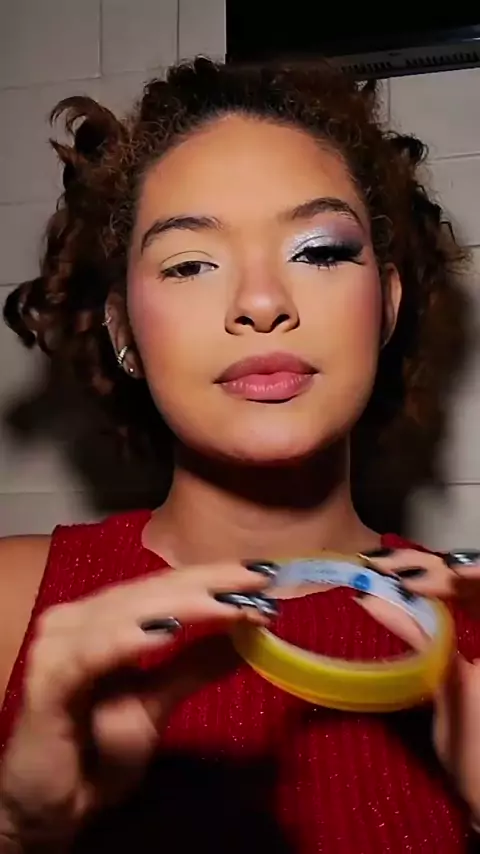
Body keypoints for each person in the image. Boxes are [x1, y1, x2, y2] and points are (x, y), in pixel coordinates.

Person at [0, 57, 478, 853]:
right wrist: (18, 831)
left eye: (319, 251)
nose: (261, 303)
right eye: (190, 263)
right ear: (123, 333)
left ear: (387, 305)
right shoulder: (13, 608)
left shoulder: (472, 629)